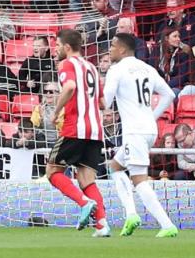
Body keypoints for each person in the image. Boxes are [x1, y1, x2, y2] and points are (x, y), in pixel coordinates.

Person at [100, 29, 181, 237]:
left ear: (123, 48)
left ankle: (167, 225)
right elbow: (169, 94)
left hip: (134, 131)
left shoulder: (116, 70)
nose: (110, 49)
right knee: (116, 166)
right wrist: (152, 116)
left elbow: (105, 102)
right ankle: (131, 213)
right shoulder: (147, 68)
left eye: (113, 46)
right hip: (149, 130)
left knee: (139, 180)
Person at [41, 28, 109, 237]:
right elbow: (103, 103)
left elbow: (69, 86)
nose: (55, 49)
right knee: (87, 179)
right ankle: (102, 225)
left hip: (75, 128)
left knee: (52, 172)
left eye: (57, 45)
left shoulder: (67, 64)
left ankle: (83, 202)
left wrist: (57, 112)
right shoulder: (92, 68)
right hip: (95, 131)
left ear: (67, 47)